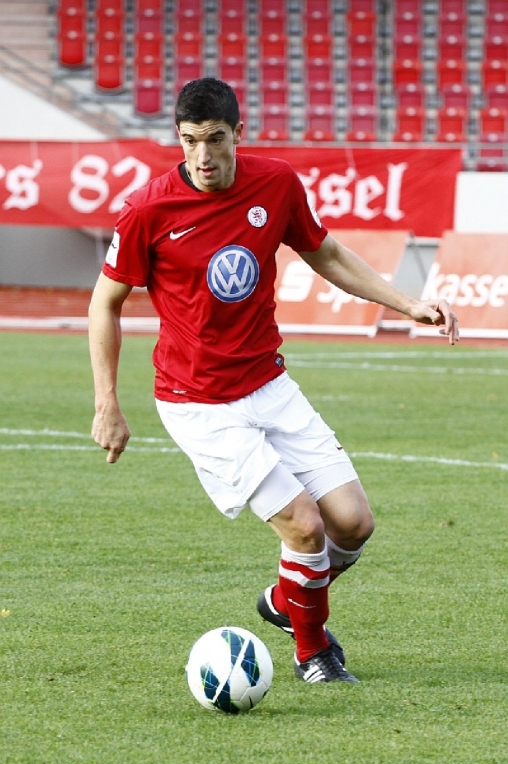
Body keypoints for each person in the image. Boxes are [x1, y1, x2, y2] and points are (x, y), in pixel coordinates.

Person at [88, 77, 459, 685]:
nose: (202, 156)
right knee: (304, 526)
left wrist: (408, 304)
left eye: (214, 139)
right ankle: (313, 652)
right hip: (198, 401)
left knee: (352, 524)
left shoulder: (277, 183)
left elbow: (327, 255)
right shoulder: (147, 210)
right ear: (177, 139)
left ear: (239, 132)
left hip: (268, 383)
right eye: (189, 141)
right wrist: (107, 402)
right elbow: (104, 304)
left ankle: (288, 600)